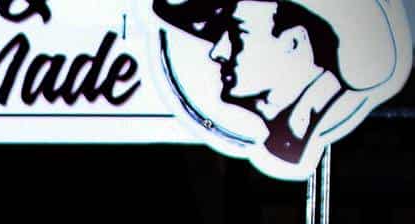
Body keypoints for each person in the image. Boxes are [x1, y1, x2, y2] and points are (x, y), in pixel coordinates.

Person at [154, 0, 399, 165]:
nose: (218, 52)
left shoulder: (361, 141)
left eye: (238, 34)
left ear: (294, 43)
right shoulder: (292, 136)